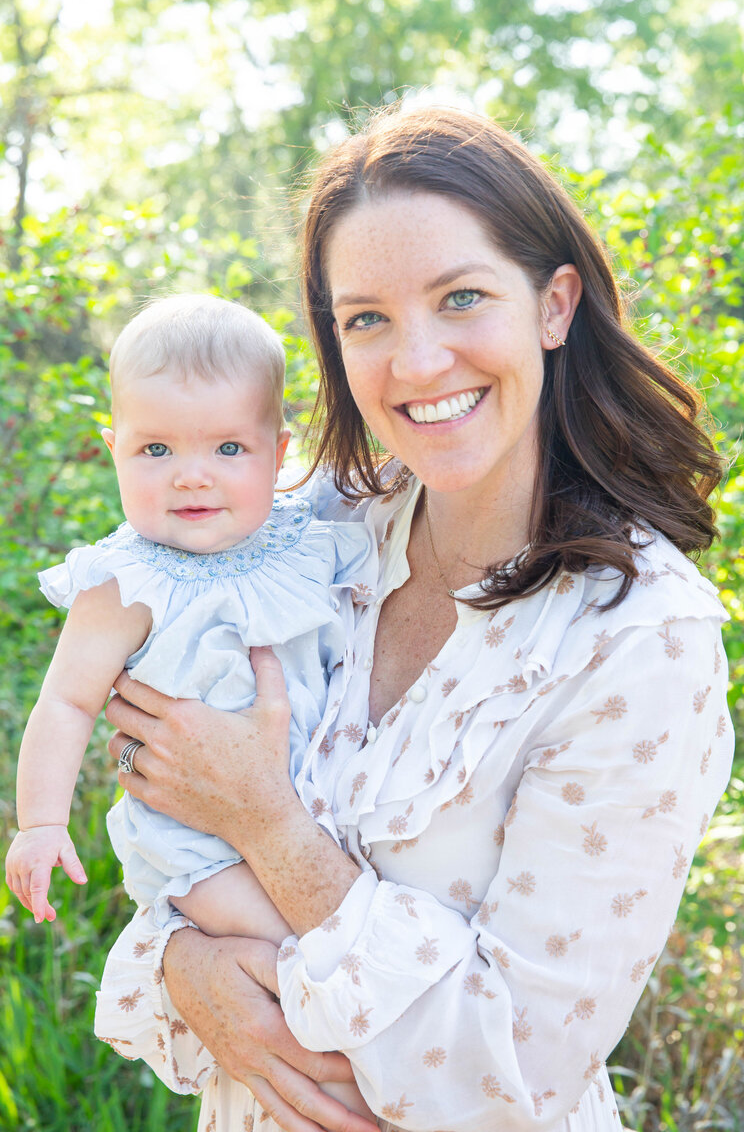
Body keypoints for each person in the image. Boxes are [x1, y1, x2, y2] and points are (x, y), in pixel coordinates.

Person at [93, 107, 733, 1132]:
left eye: (461, 298)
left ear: (554, 305)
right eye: (366, 319)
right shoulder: (304, 532)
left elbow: (510, 1076)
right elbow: (162, 813)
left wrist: (267, 825)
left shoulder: (637, 641)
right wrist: (181, 965)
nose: (418, 362)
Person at [4, 293, 376, 1120]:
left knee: (348, 943)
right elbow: (65, 703)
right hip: (201, 848)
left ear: (280, 453)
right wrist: (39, 823)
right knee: (320, 966)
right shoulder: (126, 583)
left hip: (310, 818)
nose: (191, 473)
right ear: (114, 450)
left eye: (228, 446)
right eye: (157, 448)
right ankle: (347, 1093)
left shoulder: (305, 540)